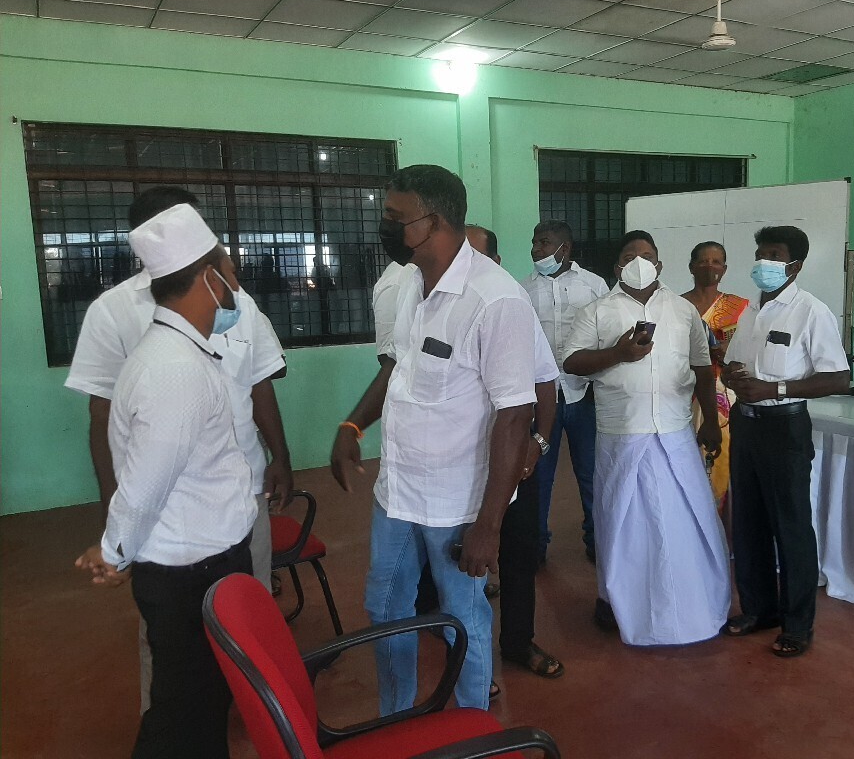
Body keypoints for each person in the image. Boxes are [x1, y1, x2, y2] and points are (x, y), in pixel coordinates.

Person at [64, 186, 291, 713]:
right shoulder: (162, 355)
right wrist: (117, 536)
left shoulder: (199, 330)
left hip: (228, 513)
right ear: (207, 274)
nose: (237, 281)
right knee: (180, 683)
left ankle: (239, 712)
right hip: (183, 541)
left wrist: (277, 458)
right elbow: (141, 466)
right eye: (227, 268)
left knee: (237, 638)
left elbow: (258, 384)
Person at [330, 165, 536, 714]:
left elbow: (515, 415)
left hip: (456, 502)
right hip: (397, 491)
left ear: (435, 221)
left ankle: (473, 729)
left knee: (461, 617)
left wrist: (489, 525)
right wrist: (353, 425)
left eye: (395, 218)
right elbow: (397, 369)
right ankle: (396, 716)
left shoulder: (495, 300)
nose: (385, 228)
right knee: (384, 607)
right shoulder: (408, 284)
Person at [563, 230, 730, 646]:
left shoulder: (682, 311)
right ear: (617, 266)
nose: (639, 261)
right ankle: (615, 600)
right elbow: (572, 361)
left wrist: (710, 421)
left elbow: (702, 369)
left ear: (659, 264)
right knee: (621, 523)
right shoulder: (596, 311)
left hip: (674, 432)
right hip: (622, 433)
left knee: (684, 521)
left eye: (647, 255)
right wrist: (617, 354)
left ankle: (694, 605)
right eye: (629, 255)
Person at [721, 225, 850, 658]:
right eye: (760, 253)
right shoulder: (750, 311)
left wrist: (775, 389)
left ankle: (797, 625)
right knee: (749, 523)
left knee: (790, 526)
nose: (764, 262)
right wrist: (732, 376)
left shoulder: (812, 311)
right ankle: (759, 610)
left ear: (795, 265)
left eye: (774, 255)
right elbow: (735, 364)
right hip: (746, 425)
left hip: (784, 427)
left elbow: (838, 378)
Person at [466, 225, 564, 681]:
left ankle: (518, 642)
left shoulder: (512, 303)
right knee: (461, 561)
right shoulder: (437, 304)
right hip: (460, 462)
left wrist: (538, 443)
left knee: (519, 553)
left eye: (474, 254)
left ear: (495, 261)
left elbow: (546, 378)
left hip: (514, 458)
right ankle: (468, 659)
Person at [521, 220, 609, 563]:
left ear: (565, 248)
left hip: (584, 395)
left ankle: (597, 541)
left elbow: (606, 335)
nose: (536, 250)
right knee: (538, 475)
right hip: (541, 399)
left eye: (543, 243)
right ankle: (536, 546)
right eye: (534, 242)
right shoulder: (523, 289)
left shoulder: (594, 285)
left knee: (591, 474)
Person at [681, 241, 749, 508]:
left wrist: (729, 351)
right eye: (703, 261)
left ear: (725, 268)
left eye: (716, 261)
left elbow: (752, 349)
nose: (710, 266)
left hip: (725, 398)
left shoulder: (741, 307)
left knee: (723, 462)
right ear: (691, 267)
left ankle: (723, 519)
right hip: (684, 392)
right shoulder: (676, 305)